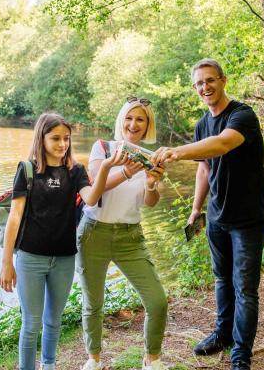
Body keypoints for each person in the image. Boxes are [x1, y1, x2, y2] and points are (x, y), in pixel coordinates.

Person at [151, 59, 264, 370]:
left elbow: (223, 144)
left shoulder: (242, 115)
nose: (206, 87)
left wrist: (176, 151)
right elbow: (205, 167)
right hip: (217, 217)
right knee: (221, 280)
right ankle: (222, 334)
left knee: (245, 287)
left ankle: (241, 354)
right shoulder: (202, 124)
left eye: (210, 80)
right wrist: (195, 210)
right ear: (195, 88)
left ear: (223, 80)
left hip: (247, 219)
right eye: (200, 83)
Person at [0, 113, 127, 370]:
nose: (62, 144)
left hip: (65, 259)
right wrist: (7, 263)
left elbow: (91, 199)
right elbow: (14, 218)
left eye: (66, 138)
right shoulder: (27, 170)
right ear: (41, 138)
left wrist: (104, 167)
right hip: (30, 258)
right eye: (55, 138)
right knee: (32, 323)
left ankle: (49, 365)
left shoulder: (76, 170)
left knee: (53, 321)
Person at [78, 96, 169, 370]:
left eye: (140, 119)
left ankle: (151, 359)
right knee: (93, 304)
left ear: (147, 125)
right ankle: (93, 359)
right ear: (121, 121)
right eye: (129, 118)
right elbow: (95, 185)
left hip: (130, 237)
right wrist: (127, 172)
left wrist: (152, 183)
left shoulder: (149, 158)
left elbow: (149, 202)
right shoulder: (103, 147)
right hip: (94, 233)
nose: (133, 124)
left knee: (158, 301)